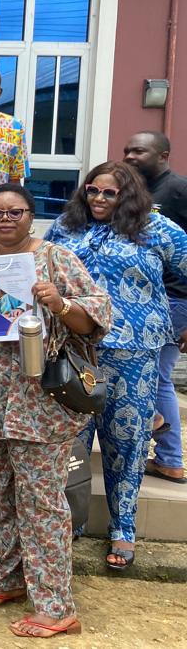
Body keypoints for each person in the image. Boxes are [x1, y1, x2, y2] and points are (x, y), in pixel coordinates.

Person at [0, 184, 110, 638]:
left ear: (31, 215)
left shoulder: (56, 258)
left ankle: (56, 605)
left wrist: (60, 304)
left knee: (42, 504)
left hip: (39, 405)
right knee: (4, 496)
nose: (5, 219)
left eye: (15, 212)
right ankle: (11, 578)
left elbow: (98, 316)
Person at [45, 162, 187, 570]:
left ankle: (123, 527)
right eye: (93, 190)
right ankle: (70, 519)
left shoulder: (157, 230)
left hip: (133, 352)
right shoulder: (66, 227)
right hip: (74, 349)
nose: (100, 199)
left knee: (125, 442)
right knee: (72, 439)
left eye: (111, 192)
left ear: (129, 195)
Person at [123, 130, 187, 483]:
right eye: (127, 151)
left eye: (139, 151)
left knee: (158, 378)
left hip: (175, 301)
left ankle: (170, 458)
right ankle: (165, 449)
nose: (130, 156)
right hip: (146, 302)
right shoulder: (138, 192)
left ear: (163, 155)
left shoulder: (178, 190)